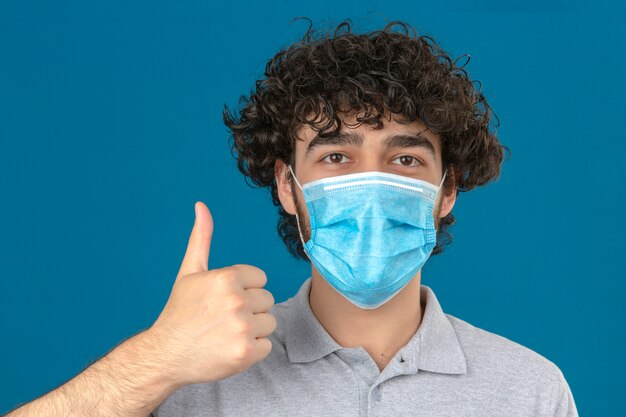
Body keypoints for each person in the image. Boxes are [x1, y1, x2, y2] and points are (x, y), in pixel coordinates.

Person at [4, 18, 578, 417]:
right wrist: (157, 357)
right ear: (287, 183)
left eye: (405, 158)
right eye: (336, 157)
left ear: (447, 189)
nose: (371, 183)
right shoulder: (196, 376)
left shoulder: (530, 390)